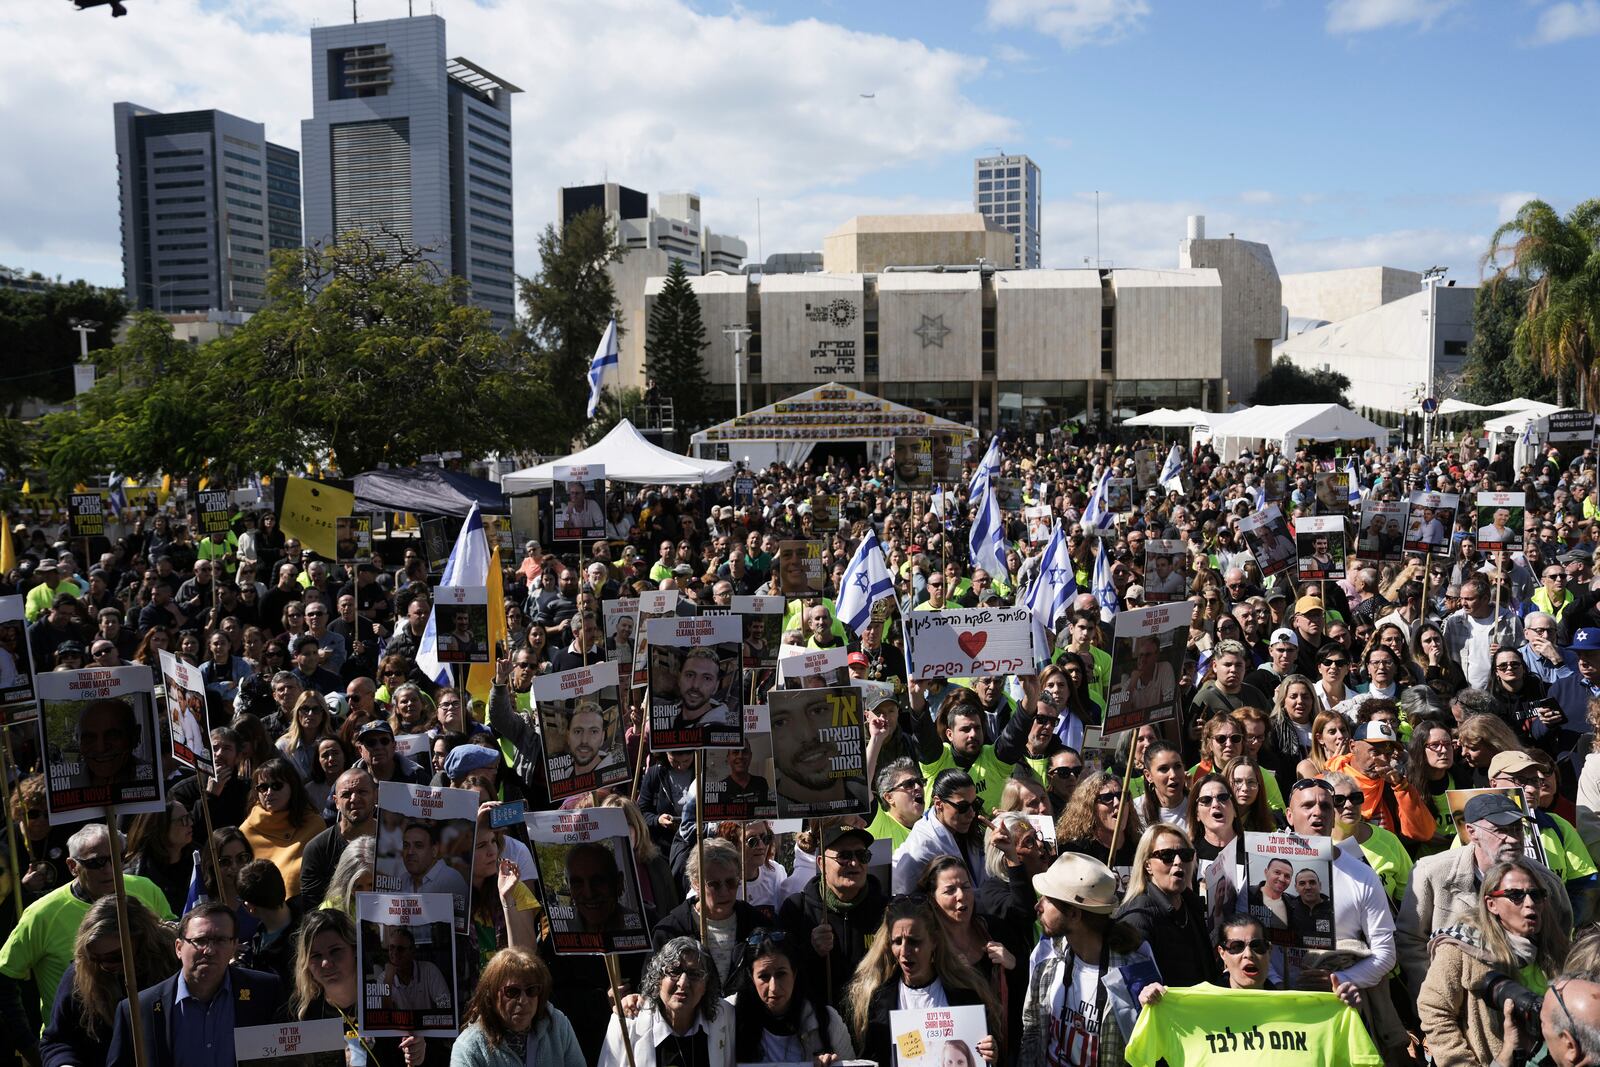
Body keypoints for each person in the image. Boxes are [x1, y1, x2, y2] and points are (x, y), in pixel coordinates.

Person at [0, 823, 176, 1024]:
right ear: (72, 866)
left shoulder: (146, 889)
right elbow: (5, 977)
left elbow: (174, 944)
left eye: (117, 859)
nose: (109, 870)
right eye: (97, 862)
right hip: (76, 1042)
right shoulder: (42, 914)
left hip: (147, 1028)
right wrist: (29, 1046)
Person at [1398, 791, 1573, 992]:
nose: (1513, 839)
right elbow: (1410, 941)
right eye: (1500, 830)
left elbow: (1560, 942)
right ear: (1472, 832)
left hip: (1528, 998)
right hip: (1458, 999)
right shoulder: (1431, 873)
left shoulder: (1546, 882)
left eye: (1517, 829)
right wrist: (1440, 993)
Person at [1419, 858, 1572, 1067]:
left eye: (1536, 895)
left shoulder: (1556, 947)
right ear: (1492, 904)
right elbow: (1434, 1012)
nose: (1529, 903)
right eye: (1515, 895)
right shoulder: (1461, 948)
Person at [107, 900, 287, 1067]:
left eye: (221, 940)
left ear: (234, 946)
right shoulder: (138, 1009)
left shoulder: (265, 992)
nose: (209, 951)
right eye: (200, 941)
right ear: (178, 948)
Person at [1018, 852, 1156, 1067]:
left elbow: (1147, 1053)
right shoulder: (1048, 954)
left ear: (1074, 914)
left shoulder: (1132, 974)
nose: (1038, 906)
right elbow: (1033, 1027)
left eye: (1047, 899)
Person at [843, 895, 1001, 1067]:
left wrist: (990, 1054)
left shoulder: (966, 993)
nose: (904, 951)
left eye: (914, 941)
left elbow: (982, 1055)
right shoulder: (877, 1001)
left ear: (934, 941)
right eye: (897, 941)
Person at [38, 897, 178, 1067]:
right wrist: (64, 1063)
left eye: (115, 956)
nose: (105, 966)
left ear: (142, 940)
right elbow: (57, 1040)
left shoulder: (177, 964)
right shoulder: (81, 973)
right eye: (96, 958)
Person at [291, 908, 428, 1067]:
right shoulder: (301, 1014)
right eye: (316, 955)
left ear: (354, 949)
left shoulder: (387, 999)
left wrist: (418, 1052)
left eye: (335, 951)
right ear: (305, 961)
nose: (326, 963)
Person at [778, 824, 888, 1008]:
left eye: (862, 856)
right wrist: (811, 950)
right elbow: (781, 974)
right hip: (818, 1024)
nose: (854, 863)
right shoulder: (797, 910)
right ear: (821, 863)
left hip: (872, 1023)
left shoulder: (886, 911)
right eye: (844, 856)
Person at [599, 936, 736, 1067]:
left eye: (694, 974)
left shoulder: (723, 1016)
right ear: (658, 978)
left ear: (707, 983)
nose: (683, 983)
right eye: (674, 971)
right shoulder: (627, 1022)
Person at [1114, 823, 1220, 987]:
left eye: (1185, 854)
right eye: (1167, 855)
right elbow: (1134, 986)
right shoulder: (1137, 916)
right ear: (1147, 865)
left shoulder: (1190, 904)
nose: (1178, 861)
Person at [650, 838, 767, 984]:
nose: (724, 892)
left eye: (731, 882)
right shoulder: (670, 930)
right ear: (695, 883)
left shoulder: (758, 924)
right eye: (714, 885)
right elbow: (652, 986)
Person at [732, 931, 855, 1066]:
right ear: (751, 977)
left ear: (794, 973)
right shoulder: (729, 1017)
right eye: (764, 976)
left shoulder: (827, 1021)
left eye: (781, 974)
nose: (774, 987)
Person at [451, 947, 584, 1067]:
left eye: (531, 990)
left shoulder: (558, 1026)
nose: (523, 1000)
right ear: (490, 995)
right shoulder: (469, 1047)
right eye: (512, 992)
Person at [1324, 717, 1438, 848]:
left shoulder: (1394, 785)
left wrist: (1402, 787)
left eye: (1388, 753)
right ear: (1353, 746)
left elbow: (1424, 833)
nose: (1383, 759)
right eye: (1375, 752)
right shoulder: (1326, 784)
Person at [772, 687, 870, 814]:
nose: (807, 735)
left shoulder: (867, 793)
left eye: (818, 711)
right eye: (780, 723)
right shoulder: (769, 814)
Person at [238, 756, 324, 898]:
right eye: (263, 787)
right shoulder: (246, 830)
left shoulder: (315, 824)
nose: (269, 793)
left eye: (277, 786)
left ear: (293, 786)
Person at [893, 768, 988, 894]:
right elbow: (904, 899)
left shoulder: (970, 830)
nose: (971, 813)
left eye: (975, 804)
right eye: (963, 807)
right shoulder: (921, 850)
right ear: (938, 803)